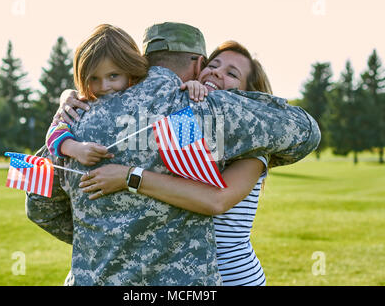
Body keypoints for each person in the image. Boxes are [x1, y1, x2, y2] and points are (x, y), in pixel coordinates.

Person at [26, 22, 321, 286]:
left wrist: (102, 238)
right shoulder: (203, 112)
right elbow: (306, 131)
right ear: (198, 64)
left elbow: (37, 200)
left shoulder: (78, 119)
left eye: (230, 73)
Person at [74, 40, 272, 286]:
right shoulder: (189, 123)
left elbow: (217, 200)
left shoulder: (254, 147)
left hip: (234, 278)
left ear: (247, 92)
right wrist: (72, 98)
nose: (217, 72)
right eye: (213, 65)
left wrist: (129, 177)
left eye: (232, 73)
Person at [46, 24, 148, 165]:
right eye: (94, 78)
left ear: (130, 70)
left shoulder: (146, 97)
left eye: (113, 76)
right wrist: (75, 149)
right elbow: (53, 133)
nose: (104, 86)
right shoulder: (80, 104)